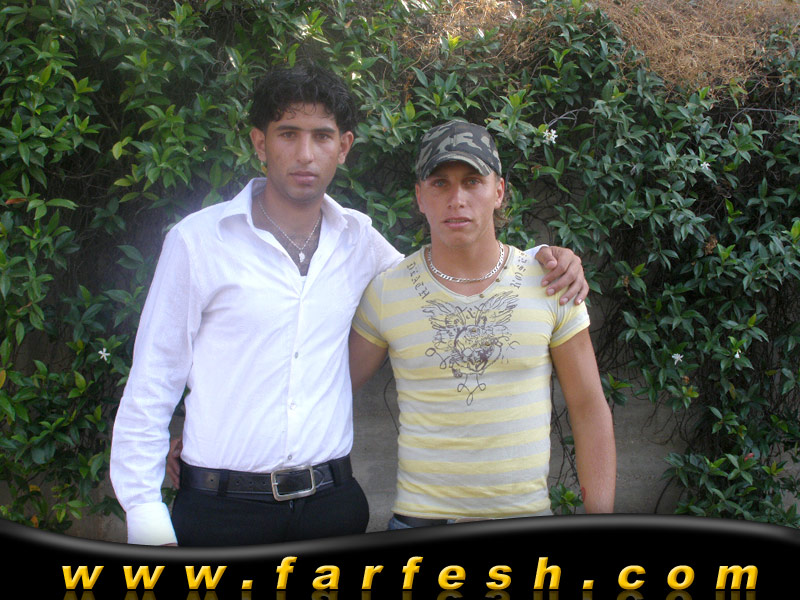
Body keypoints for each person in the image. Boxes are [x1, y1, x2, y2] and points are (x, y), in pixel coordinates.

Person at [110, 63, 589, 547]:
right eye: (288, 134)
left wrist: (541, 259)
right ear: (260, 143)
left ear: (343, 147)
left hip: (331, 508)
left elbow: (444, 273)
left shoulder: (361, 242)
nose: (305, 153)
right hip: (220, 512)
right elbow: (153, 381)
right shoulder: (199, 242)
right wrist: (146, 514)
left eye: (321, 136)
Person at [348, 120, 616, 529]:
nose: (457, 199)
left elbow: (588, 407)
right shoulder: (387, 291)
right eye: (440, 183)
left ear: (499, 191)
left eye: (472, 181)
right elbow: (330, 391)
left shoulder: (550, 282)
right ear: (420, 197)